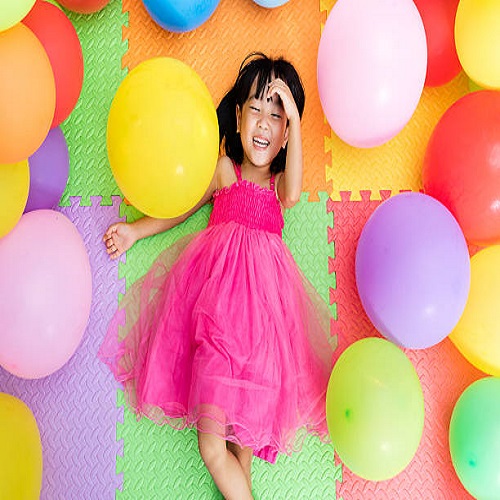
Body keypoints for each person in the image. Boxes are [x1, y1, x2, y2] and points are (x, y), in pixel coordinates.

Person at [99, 52, 337, 500]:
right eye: (255, 109)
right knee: (212, 446)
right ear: (238, 115)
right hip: (217, 321)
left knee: (241, 450)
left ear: (286, 134)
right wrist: (134, 231)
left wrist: (299, 121)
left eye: (276, 116)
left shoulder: (278, 187)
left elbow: (296, 190)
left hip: (264, 331)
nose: (263, 124)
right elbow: (179, 206)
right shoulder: (224, 171)